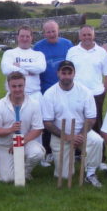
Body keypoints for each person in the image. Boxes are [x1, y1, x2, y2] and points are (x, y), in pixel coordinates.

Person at [41, 60, 104, 187]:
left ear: (74, 74)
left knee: (97, 141)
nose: (67, 76)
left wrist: (79, 135)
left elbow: (91, 118)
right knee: (64, 175)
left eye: (70, 73)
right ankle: (68, 162)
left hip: (82, 133)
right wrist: (67, 136)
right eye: (64, 73)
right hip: (61, 137)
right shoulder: (49, 94)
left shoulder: (85, 92)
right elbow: (47, 122)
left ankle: (90, 173)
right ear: (58, 73)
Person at [0, 72, 45, 183]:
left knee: (37, 153)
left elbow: (38, 129)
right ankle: (3, 159)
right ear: (8, 86)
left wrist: (20, 143)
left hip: (25, 142)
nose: (17, 89)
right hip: (5, 145)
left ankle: (25, 172)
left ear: (24, 85)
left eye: (20, 86)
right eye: (14, 86)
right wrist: (10, 130)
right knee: (7, 179)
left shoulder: (34, 104)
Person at [33, 20, 73, 163]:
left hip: (66, 89)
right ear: (44, 33)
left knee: (65, 117)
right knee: (47, 121)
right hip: (46, 90)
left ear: (58, 30)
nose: (51, 34)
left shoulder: (67, 44)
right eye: (48, 31)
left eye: (53, 31)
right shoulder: (38, 47)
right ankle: (48, 151)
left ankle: (71, 148)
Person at [66, 24, 107, 135]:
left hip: (96, 95)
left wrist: (102, 93)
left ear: (94, 35)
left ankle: (98, 151)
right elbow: (67, 73)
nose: (87, 37)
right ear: (80, 36)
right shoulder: (72, 51)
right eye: (84, 35)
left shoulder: (102, 52)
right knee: (76, 124)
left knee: (96, 124)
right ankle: (77, 151)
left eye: (89, 34)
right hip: (76, 94)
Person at [0, 25, 46, 104]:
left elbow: (41, 68)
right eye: (22, 36)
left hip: (35, 96)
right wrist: (28, 72)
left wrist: (20, 64)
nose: (24, 39)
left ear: (32, 38)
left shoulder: (38, 54)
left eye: (27, 36)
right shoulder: (9, 53)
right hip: (13, 96)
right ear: (17, 37)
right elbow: (6, 69)